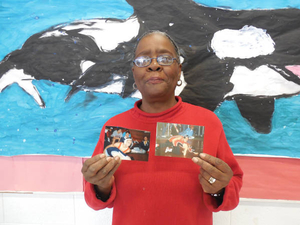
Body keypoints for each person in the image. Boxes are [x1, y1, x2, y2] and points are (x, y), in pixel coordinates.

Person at [81, 30, 243, 225]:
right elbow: (95, 201)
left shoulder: (208, 122)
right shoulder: (115, 127)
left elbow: (230, 193)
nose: (154, 65)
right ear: (134, 72)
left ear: (179, 69)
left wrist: (218, 188)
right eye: (143, 60)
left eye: (165, 58)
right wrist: (100, 184)